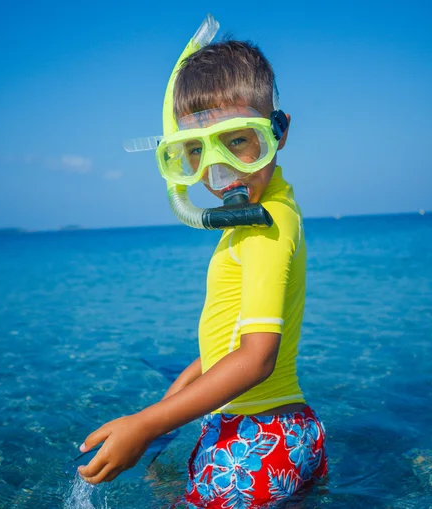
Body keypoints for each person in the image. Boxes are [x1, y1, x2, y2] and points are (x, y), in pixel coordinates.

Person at [78, 15, 327, 508]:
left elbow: (256, 358)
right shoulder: (269, 210)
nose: (220, 173)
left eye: (239, 141)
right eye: (195, 153)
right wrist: (173, 399)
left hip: (256, 441)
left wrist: (147, 424)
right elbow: (235, 337)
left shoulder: (262, 226)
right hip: (286, 433)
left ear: (278, 132)